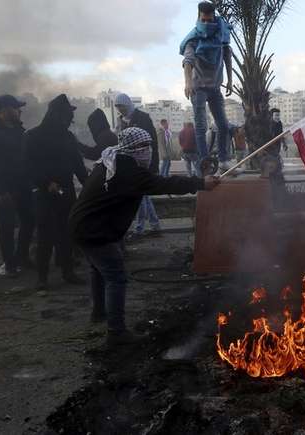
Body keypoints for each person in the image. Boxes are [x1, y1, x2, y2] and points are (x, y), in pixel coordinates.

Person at [69, 127, 219, 345]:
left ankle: (99, 313)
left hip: (84, 225)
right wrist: (200, 183)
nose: (148, 151)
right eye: (144, 147)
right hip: (95, 230)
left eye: (150, 146)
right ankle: (116, 332)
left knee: (98, 270)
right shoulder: (126, 171)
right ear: (134, 149)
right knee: (116, 277)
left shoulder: (114, 161)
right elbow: (163, 184)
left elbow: (157, 181)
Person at [25, 94, 88, 289]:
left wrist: (88, 183)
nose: (70, 120)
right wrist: (46, 182)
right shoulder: (33, 136)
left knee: (67, 233)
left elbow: (78, 164)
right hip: (44, 193)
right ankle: (42, 278)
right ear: (57, 115)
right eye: (68, 116)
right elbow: (29, 166)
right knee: (45, 235)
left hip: (66, 191)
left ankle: (68, 272)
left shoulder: (68, 137)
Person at [0, 95, 35, 278]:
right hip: (4, 188)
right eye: (15, 108)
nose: (19, 111)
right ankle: (10, 264)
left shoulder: (20, 131)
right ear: (3, 111)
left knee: (29, 220)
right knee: (7, 225)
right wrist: (0, 190)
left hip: (23, 185)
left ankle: (22, 256)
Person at [180, 1, 234, 174]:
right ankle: (205, 163)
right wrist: (188, 83)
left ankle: (224, 160)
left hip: (215, 87)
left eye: (209, 20)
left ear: (213, 17)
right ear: (199, 17)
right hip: (199, 88)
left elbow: (227, 55)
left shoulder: (221, 32)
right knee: (201, 126)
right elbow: (187, 61)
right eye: (203, 20)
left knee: (224, 125)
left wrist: (230, 80)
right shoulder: (194, 37)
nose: (207, 24)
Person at [114, 93, 162, 237]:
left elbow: (152, 142)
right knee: (143, 195)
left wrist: (154, 165)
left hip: (143, 163)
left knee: (139, 196)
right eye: (118, 107)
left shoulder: (143, 118)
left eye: (121, 106)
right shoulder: (120, 121)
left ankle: (140, 228)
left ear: (127, 104)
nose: (120, 110)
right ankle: (154, 225)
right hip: (130, 164)